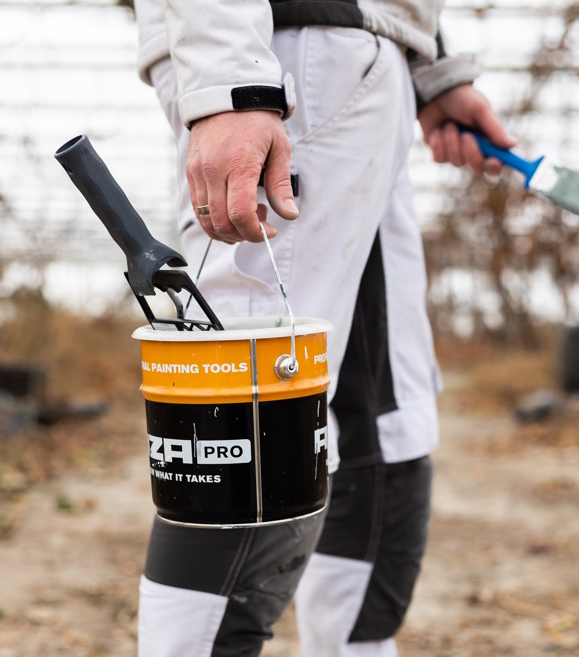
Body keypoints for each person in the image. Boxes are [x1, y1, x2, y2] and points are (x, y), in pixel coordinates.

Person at [132, 1, 515, 655]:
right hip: (282, 57)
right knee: (250, 440)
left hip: (364, 57)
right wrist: (232, 86)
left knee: (382, 417)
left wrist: (432, 67)